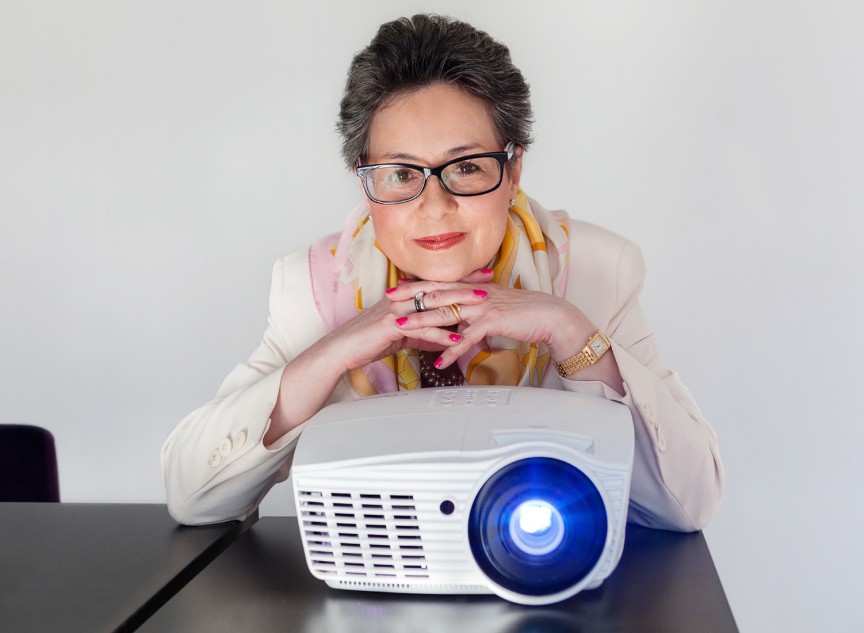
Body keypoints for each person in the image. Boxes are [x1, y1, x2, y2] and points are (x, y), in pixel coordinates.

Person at [162, 14, 723, 531]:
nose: (435, 207)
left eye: (467, 166)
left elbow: (688, 505)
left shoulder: (596, 271)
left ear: (513, 169)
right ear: (365, 181)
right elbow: (192, 498)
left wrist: (570, 332)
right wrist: (334, 351)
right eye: (401, 174)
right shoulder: (313, 287)